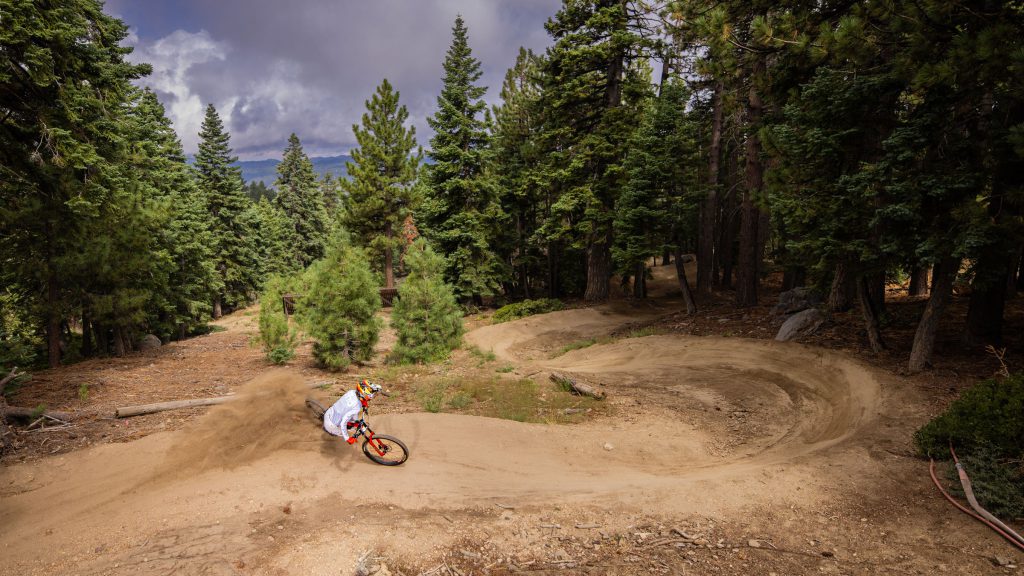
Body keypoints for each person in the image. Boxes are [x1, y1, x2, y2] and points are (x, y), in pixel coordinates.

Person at [323, 379, 382, 444]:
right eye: (371, 392)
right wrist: (347, 438)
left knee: (353, 421)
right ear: (363, 392)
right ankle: (331, 434)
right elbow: (343, 422)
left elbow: (355, 405)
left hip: (330, 412)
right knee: (347, 434)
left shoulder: (352, 392)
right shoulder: (357, 406)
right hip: (331, 426)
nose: (372, 395)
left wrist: (364, 402)